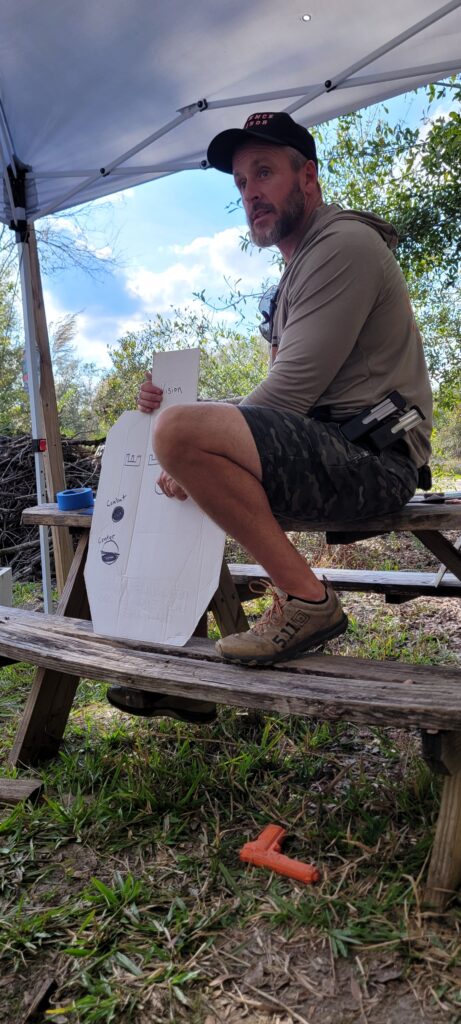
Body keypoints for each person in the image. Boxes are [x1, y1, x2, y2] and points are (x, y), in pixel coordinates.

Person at [107, 111, 432, 721]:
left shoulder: (343, 246)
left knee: (181, 438)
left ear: (308, 178)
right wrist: (174, 409)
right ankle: (179, 659)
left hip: (377, 461)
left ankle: (306, 600)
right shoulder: (295, 274)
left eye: (265, 172)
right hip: (334, 447)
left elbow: (285, 396)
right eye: (240, 182)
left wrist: (185, 432)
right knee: (179, 436)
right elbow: (278, 404)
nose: (251, 191)